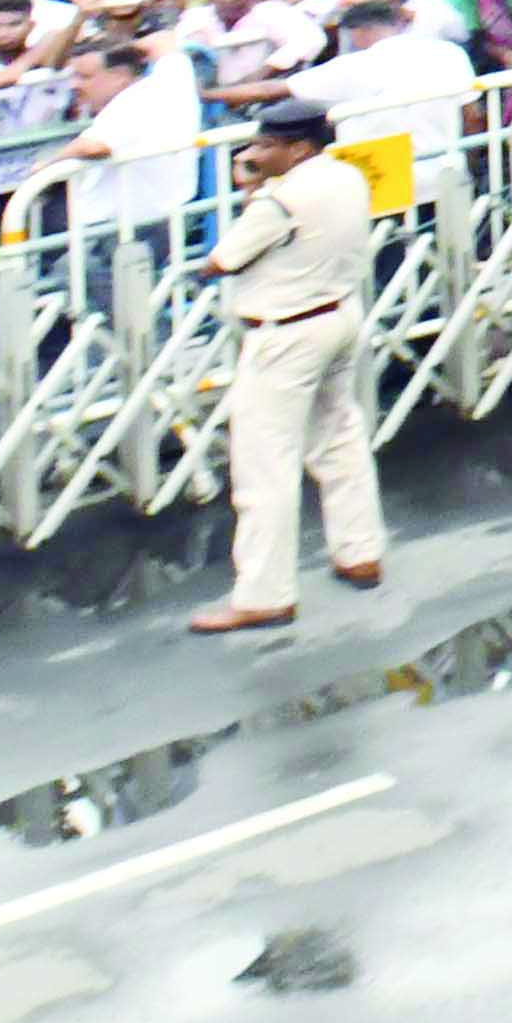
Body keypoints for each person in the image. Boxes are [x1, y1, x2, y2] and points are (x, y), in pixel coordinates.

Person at [185, 94, 386, 634]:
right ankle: (359, 551)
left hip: (285, 333)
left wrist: (251, 189)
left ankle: (263, 594)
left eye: (266, 145)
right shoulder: (346, 177)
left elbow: (221, 260)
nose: (255, 151)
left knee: (263, 466)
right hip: (339, 315)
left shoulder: (279, 201)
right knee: (340, 437)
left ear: (298, 149)